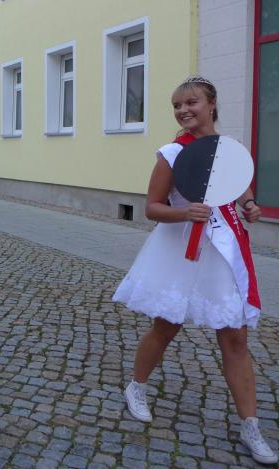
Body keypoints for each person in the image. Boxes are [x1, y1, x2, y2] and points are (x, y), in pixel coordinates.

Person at [112, 76, 277, 465]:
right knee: (166, 326)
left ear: (212, 104)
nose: (183, 110)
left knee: (234, 338)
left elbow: (240, 190)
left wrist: (250, 206)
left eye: (192, 102)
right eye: (177, 105)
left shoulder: (229, 150)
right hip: (181, 251)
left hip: (222, 253)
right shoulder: (172, 154)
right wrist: (185, 212)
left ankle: (251, 425)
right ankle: (136, 387)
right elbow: (152, 207)